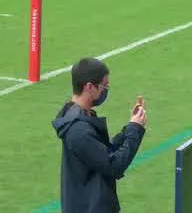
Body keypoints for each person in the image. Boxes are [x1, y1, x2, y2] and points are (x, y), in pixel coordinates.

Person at [53, 57, 147, 213]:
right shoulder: (79, 131)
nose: (106, 90)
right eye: (104, 86)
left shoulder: (81, 117)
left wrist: (131, 126)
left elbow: (103, 152)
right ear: (89, 87)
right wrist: (134, 130)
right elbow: (114, 165)